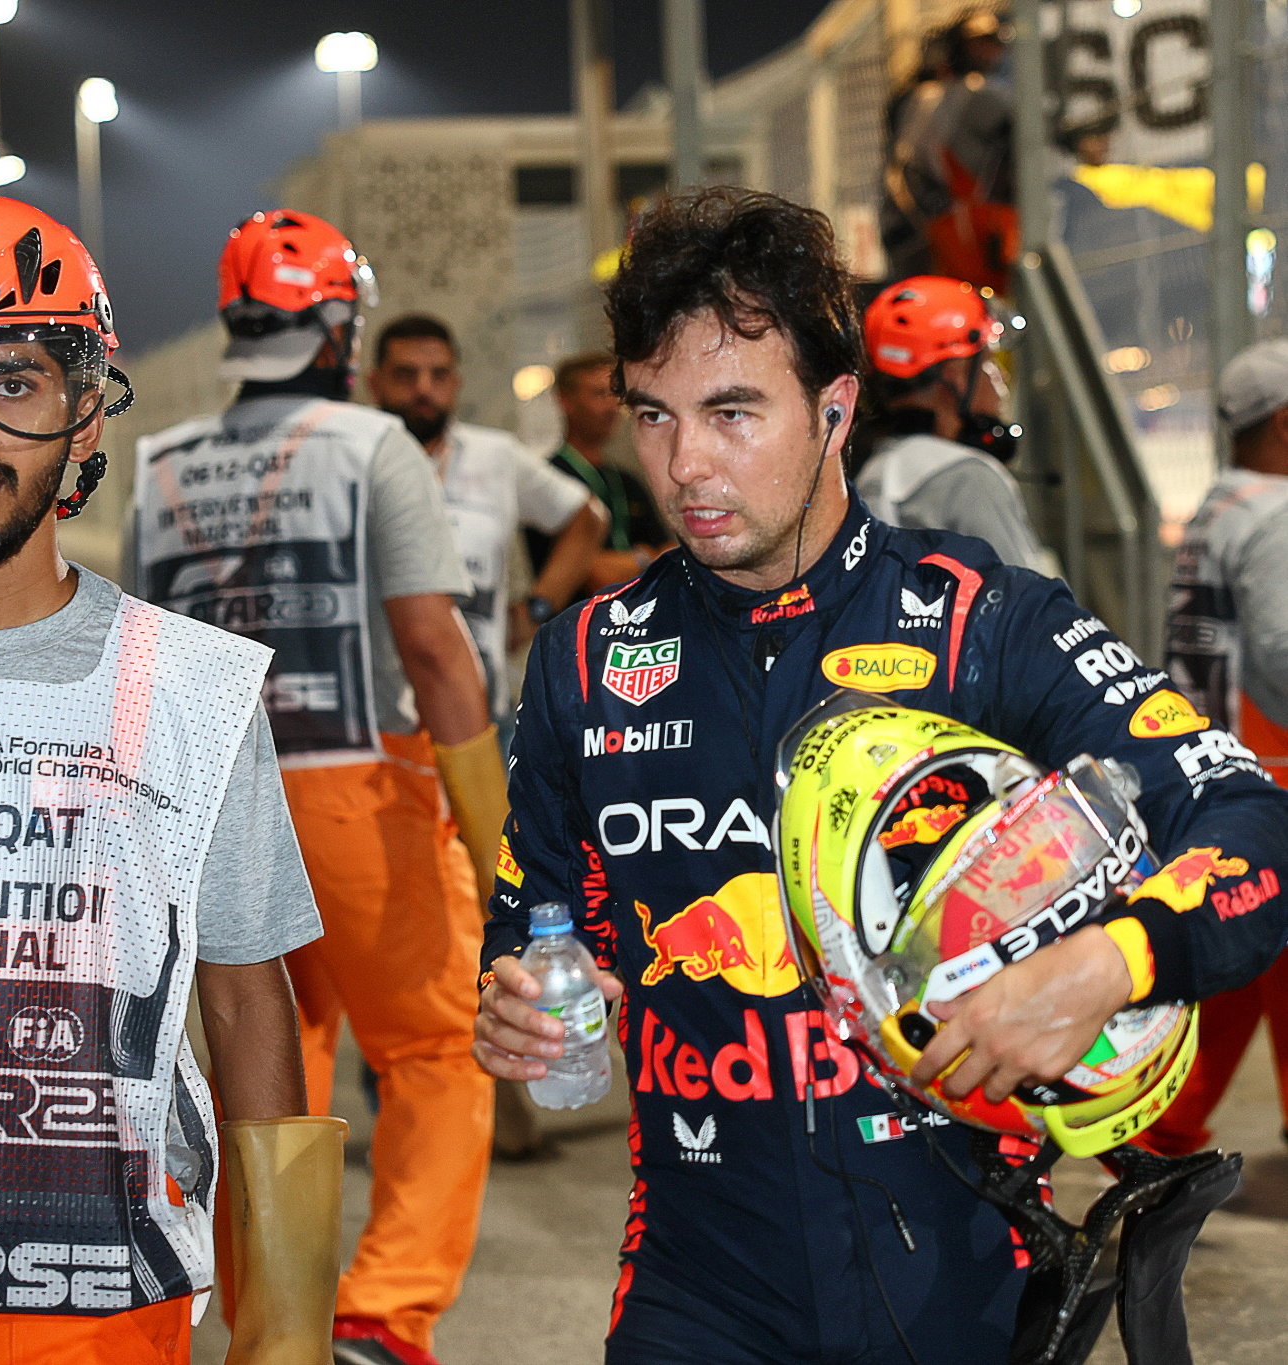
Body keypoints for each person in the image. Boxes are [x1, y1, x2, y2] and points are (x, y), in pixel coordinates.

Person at [472, 186, 1288, 1363]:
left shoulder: (984, 622)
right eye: (653, 415)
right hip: (698, 1284)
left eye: (733, 412)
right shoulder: (584, 661)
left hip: (960, 1275)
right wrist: (521, 997)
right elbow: (535, 921)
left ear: (836, 408)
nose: (685, 464)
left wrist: (1110, 963)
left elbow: (1252, 821)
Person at [0, 195, 343, 1364]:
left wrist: (286, 1329)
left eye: (13, 383)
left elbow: (247, 1001)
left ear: (83, 415)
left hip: (107, 1299)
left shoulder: (195, 689)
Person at [129, 212, 499, 1365]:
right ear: (338, 324)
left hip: (216, 802)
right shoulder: (374, 444)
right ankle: (381, 1316)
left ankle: (271, 1326)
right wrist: (502, 844)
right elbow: (433, 648)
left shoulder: (158, 463)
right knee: (437, 1048)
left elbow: (149, 655)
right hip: (361, 795)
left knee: (268, 1062)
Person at [1142, 337, 1288, 1157]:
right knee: (1248, 960)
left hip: (1215, 778)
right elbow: (1283, 652)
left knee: (1241, 956)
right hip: (1272, 778)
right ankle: (1158, 1132)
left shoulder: (1215, 508)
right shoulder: (1276, 515)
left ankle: (1159, 1131)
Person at [368, 315, 606, 739]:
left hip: (484, 715)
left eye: (439, 375)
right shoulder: (357, 457)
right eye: (405, 375)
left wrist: (537, 608)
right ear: (375, 383)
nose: (423, 389)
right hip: (386, 724)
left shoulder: (496, 455)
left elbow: (588, 517)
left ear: (456, 383)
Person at [856, 275, 1051, 573]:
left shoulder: (872, 479)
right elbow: (1028, 599)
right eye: (987, 363)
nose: (999, 377)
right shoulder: (968, 478)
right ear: (955, 375)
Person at [880, 10, 1016, 293]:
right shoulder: (968, 94)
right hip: (957, 231)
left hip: (947, 231)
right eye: (980, 44)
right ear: (956, 48)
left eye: (994, 44)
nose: (991, 53)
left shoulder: (921, 96)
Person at [525, 351, 671, 599]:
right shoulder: (545, 479)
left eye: (615, 395)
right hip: (577, 617)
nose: (611, 407)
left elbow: (671, 556)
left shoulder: (627, 480)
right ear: (565, 401)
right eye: (599, 394)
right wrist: (645, 557)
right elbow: (594, 574)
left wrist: (630, 563)